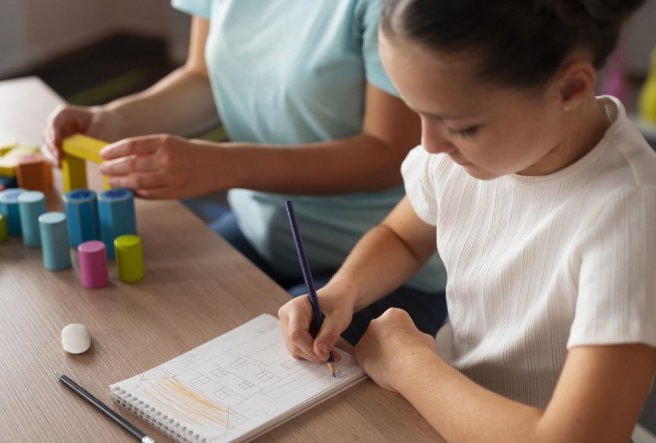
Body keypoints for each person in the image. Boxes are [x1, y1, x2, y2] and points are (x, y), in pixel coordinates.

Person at [278, 0, 656, 440]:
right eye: (416, 110)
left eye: (461, 126)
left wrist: (408, 364)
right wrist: (343, 292)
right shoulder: (465, 157)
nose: (429, 144)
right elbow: (402, 236)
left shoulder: (632, 215)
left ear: (569, 89)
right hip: (442, 409)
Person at [42, 0, 447, 340]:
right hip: (260, 229)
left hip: (382, 266)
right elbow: (203, 77)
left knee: (277, 366)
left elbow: (387, 154)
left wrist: (226, 165)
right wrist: (110, 120)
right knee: (149, 323)